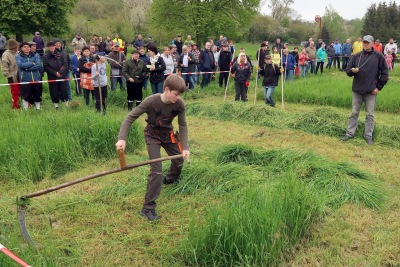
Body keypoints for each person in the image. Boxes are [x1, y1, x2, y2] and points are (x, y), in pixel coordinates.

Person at [115, 74, 190, 221]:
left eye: (180, 95)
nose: (178, 98)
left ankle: (170, 179)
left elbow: (183, 124)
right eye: (176, 94)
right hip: (152, 136)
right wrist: (122, 139)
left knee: (179, 159)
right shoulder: (150, 102)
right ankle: (148, 208)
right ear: (167, 90)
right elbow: (130, 117)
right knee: (156, 170)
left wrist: (185, 147)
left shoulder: (179, 105)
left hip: (168, 135)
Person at [341, 35, 388, 145]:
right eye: (364, 42)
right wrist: (352, 71)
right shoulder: (357, 56)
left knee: (370, 115)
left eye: (368, 42)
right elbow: (347, 71)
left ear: (372, 43)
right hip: (357, 90)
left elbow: (385, 74)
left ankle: (368, 135)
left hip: (371, 91)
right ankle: (349, 133)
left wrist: (378, 87)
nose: (365, 44)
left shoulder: (379, 56)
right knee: (354, 113)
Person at [15, 42, 43, 110]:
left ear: (30, 48)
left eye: (28, 46)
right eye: (24, 47)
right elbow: (21, 65)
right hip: (25, 79)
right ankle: (26, 110)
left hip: (36, 78)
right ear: (21, 48)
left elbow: (38, 65)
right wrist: (32, 63)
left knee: (37, 94)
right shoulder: (18, 56)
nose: (27, 48)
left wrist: (27, 68)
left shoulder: (35, 55)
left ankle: (38, 109)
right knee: (25, 95)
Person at [43, 41, 69, 109]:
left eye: (53, 46)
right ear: (48, 47)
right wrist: (55, 73)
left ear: (55, 46)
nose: (51, 47)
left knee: (64, 90)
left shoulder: (60, 55)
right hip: (52, 77)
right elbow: (46, 67)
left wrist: (60, 72)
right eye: (50, 46)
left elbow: (65, 64)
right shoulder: (45, 56)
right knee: (54, 91)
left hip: (61, 75)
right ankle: (56, 106)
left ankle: (65, 105)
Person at [1, 39, 20, 109]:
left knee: (23, 90)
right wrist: (8, 76)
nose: (17, 48)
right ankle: (15, 105)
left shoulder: (18, 53)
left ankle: (26, 104)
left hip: (20, 74)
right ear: (12, 47)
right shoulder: (5, 54)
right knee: (15, 91)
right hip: (12, 76)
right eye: (16, 47)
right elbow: (4, 66)